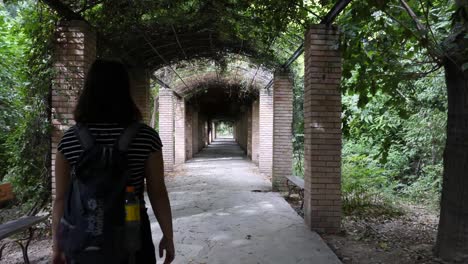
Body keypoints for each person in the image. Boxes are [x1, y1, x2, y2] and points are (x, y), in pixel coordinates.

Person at [52, 59, 175, 264]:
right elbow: (157, 191)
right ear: (125, 90)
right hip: (133, 237)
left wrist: (57, 245)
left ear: (88, 90)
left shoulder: (69, 139)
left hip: (83, 239)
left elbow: (61, 199)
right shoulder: (146, 137)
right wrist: (168, 237)